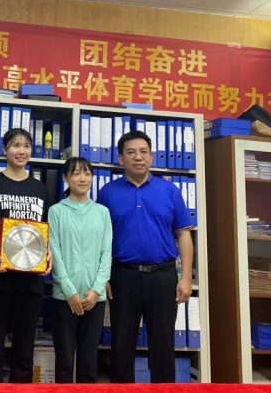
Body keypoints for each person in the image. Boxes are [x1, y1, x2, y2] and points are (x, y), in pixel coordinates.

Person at [98, 130, 193, 384]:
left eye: (143, 152)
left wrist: (185, 278)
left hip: (163, 276)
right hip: (122, 276)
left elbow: (183, 235)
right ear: (121, 158)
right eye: (131, 152)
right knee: (121, 344)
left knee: (163, 345)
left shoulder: (170, 190)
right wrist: (102, 277)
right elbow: (99, 238)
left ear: (151, 156)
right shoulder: (107, 192)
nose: (138, 157)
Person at [0, 128, 52, 383]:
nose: (21, 151)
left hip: (31, 281)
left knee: (24, 350)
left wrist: (47, 252)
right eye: (15, 145)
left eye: (26, 146)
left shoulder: (41, 189)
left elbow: (44, 231)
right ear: (5, 149)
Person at [48, 157, 112, 384]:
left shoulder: (102, 212)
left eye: (87, 173)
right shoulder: (56, 211)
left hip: (94, 299)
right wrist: (69, 291)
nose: (82, 179)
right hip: (64, 297)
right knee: (64, 361)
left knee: (89, 361)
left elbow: (106, 253)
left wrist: (96, 290)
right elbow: (54, 251)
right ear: (65, 178)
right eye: (76, 174)